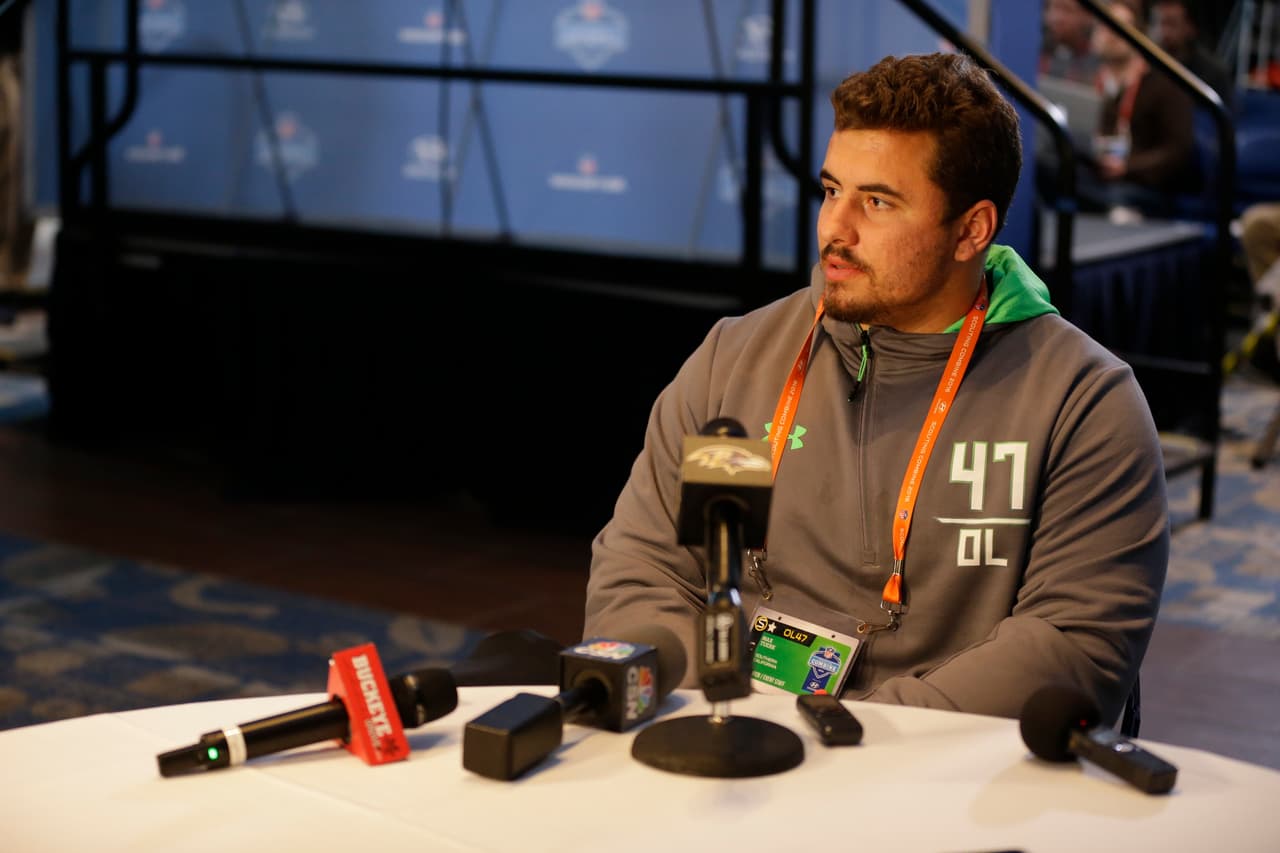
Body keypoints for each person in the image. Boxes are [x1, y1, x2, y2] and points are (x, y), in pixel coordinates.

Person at [582, 52, 1169, 726]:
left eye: (878, 202)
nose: (837, 227)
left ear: (971, 229)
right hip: (742, 755)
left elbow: (1072, 646)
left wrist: (851, 738)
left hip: (949, 792)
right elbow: (647, 568)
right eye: (832, 190)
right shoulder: (740, 365)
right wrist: (719, 716)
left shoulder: (1079, 402)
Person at [1079, 0, 1198, 222]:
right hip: (1096, 176)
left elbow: (1178, 151)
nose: (1110, 35)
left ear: (1138, 35)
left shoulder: (1165, 84)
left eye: (1120, 27)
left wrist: (1127, 167)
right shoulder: (1087, 79)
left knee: (1115, 198)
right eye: (1105, 26)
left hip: (1141, 185)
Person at [1148, 0, 1234, 113]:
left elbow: (1225, 121)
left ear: (1190, 27)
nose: (1165, 32)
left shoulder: (1214, 73)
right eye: (1162, 24)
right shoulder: (1150, 63)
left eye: (1172, 24)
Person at [1040, 0, 1101, 84]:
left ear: (1088, 16)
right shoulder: (1037, 50)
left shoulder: (1100, 65)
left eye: (1067, 10)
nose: (1056, 18)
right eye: (1052, 7)